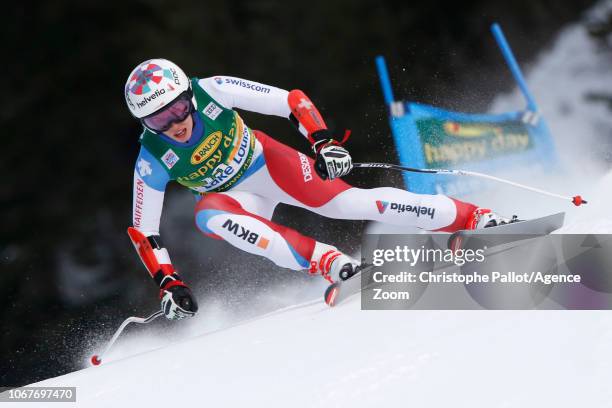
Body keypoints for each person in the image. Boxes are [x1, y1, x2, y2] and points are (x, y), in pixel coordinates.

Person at [124, 58, 513, 320]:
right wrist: (168, 282)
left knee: (349, 204)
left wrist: (323, 142)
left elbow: (290, 101)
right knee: (210, 216)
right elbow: (144, 230)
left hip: (269, 164)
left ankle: (471, 218)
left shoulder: (213, 89)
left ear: (189, 96)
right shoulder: (152, 158)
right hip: (236, 199)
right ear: (144, 123)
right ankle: (333, 264)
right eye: (157, 118)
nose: (174, 123)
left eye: (177, 109)